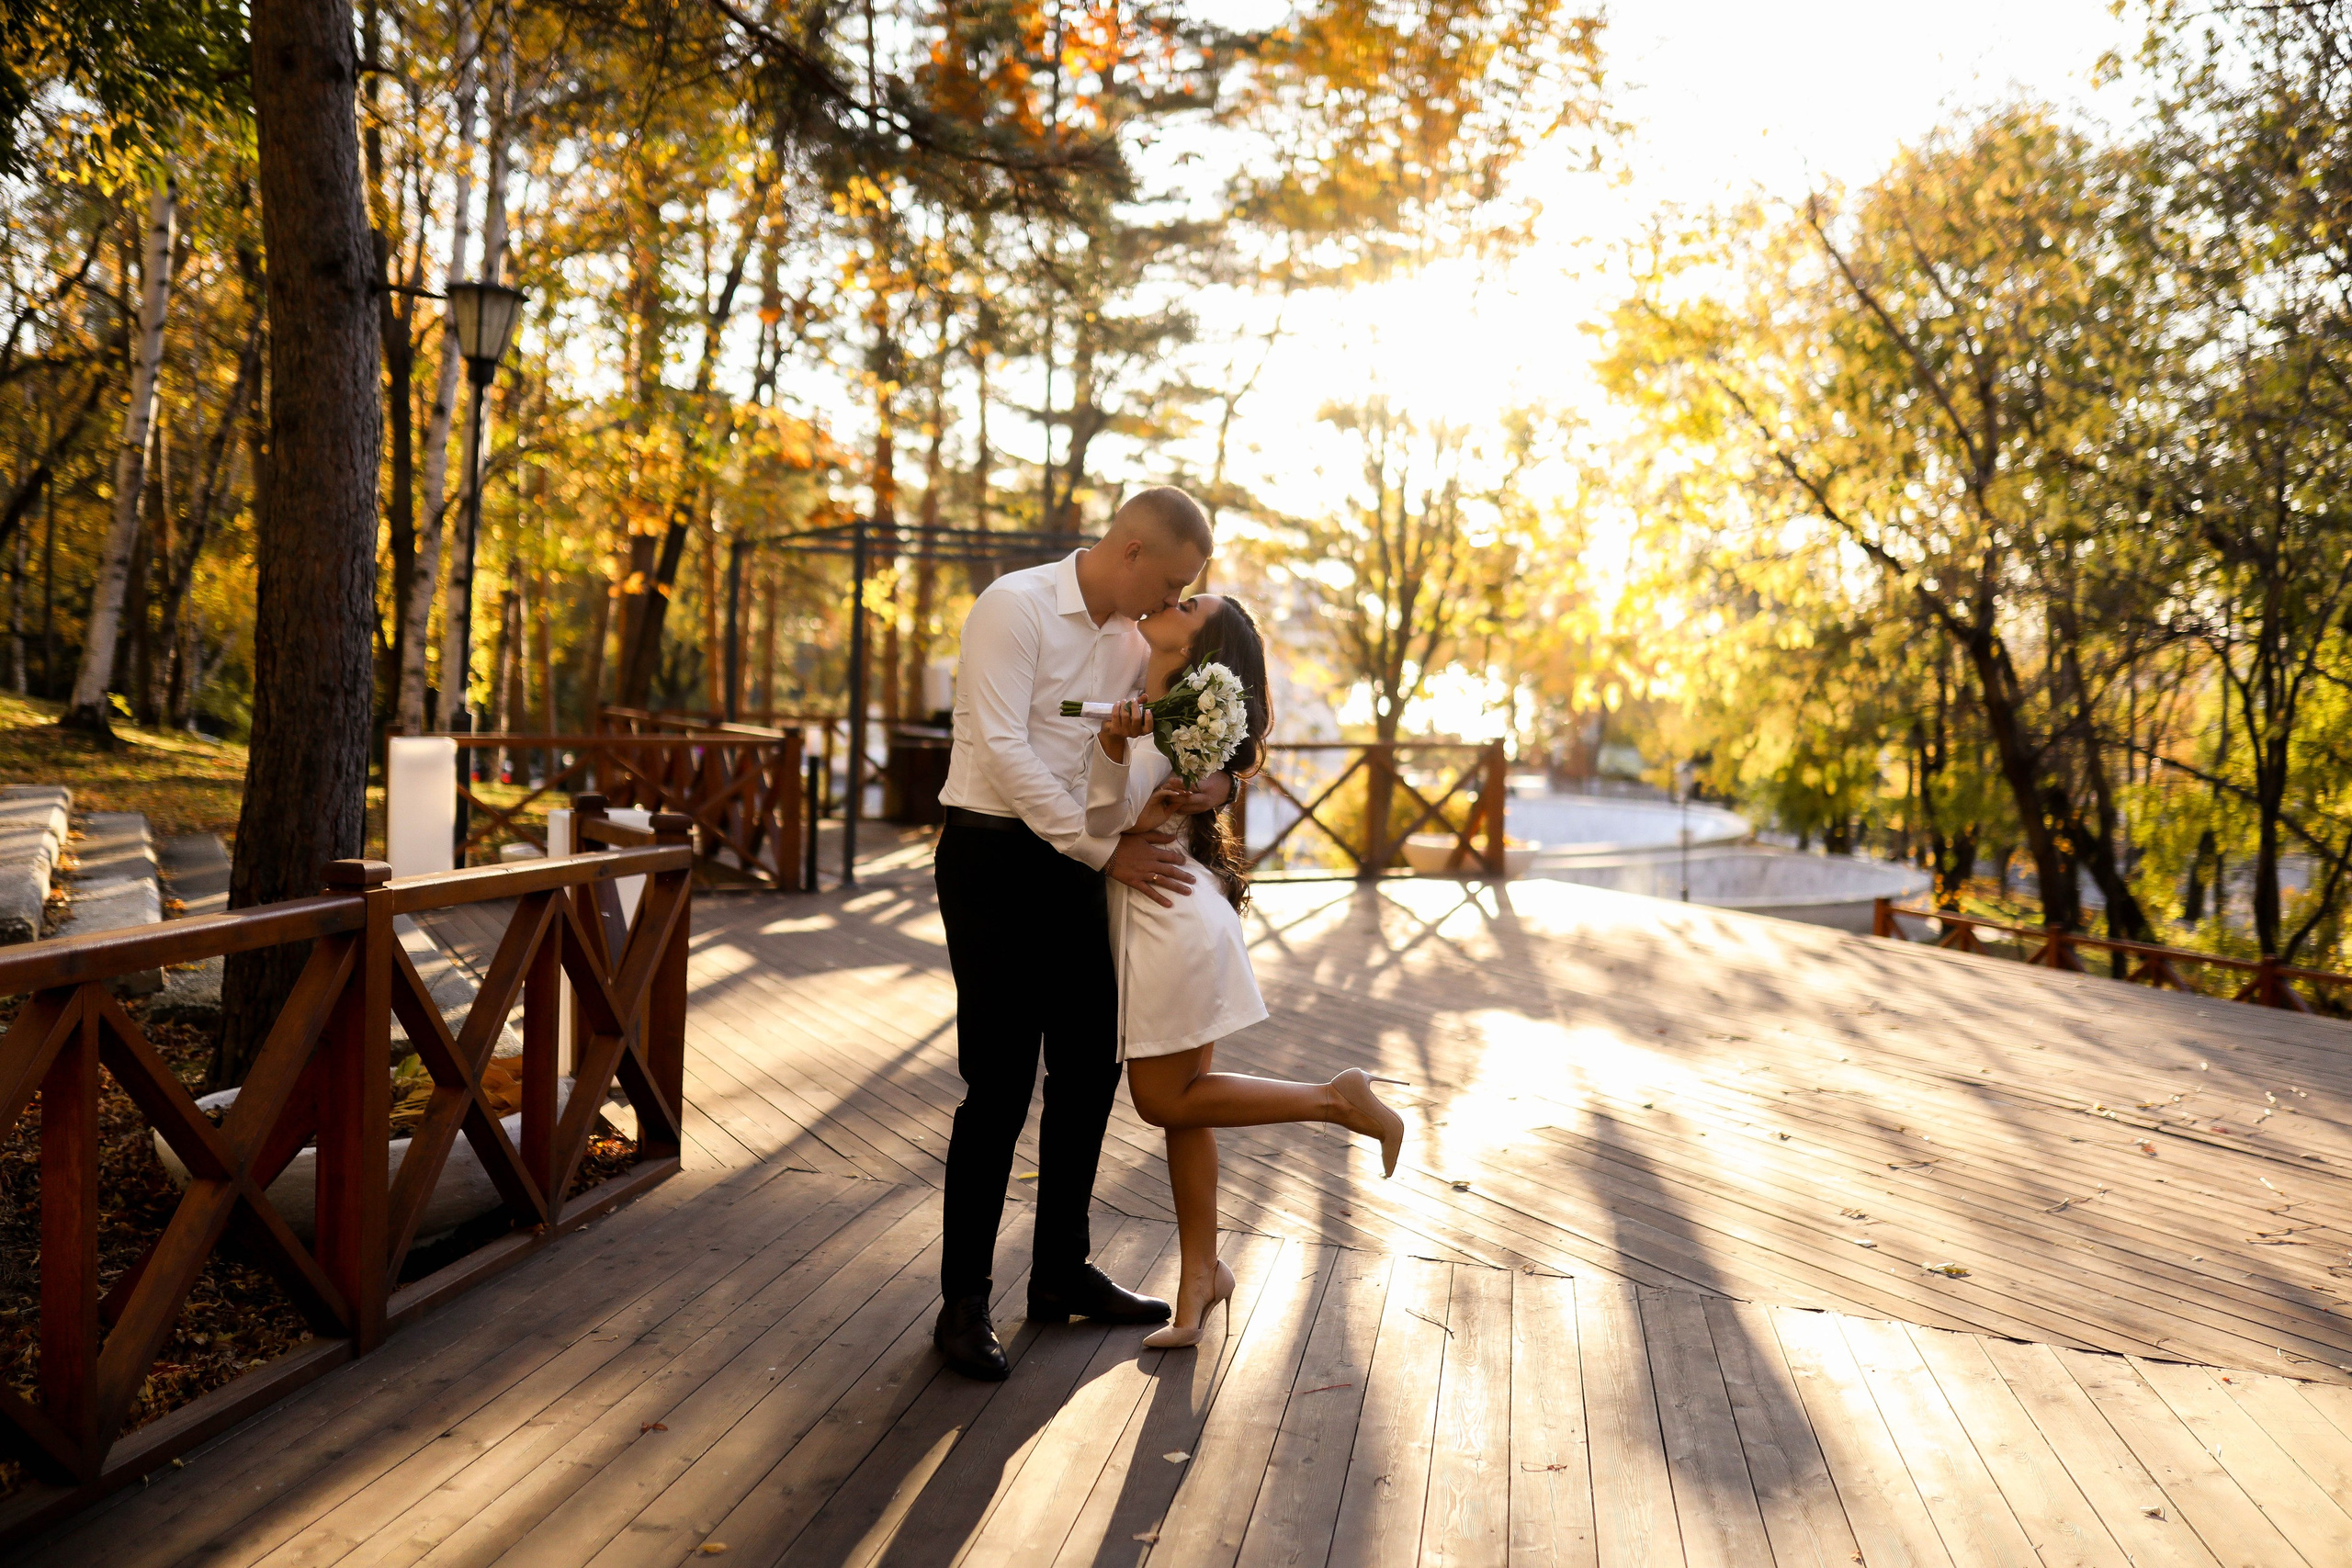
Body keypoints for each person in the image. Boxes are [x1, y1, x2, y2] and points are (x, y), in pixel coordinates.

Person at [930, 486, 1234, 1382]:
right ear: (1132, 549)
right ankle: (963, 1304)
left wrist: (1201, 782)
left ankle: (1060, 1271)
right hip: (990, 862)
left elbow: (1153, 740)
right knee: (997, 1084)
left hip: (1076, 867)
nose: (1171, 604)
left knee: (1089, 1064)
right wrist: (1103, 851)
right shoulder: (1013, 609)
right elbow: (1003, 750)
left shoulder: (1135, 639)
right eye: (1171, 582)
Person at [1086, 593, 1406, 1348]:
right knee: (1191, 1104)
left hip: (1166, 918)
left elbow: (1104, 822)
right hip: (1178, 908)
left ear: (1205, 644)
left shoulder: (1173, 720)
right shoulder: (1150, 689)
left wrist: (1124, 761)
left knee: (1164, 1099)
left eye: (1190, 602)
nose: (1169, 599)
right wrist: (1214, 782)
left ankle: (1335, 1099)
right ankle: (1202, 1276)